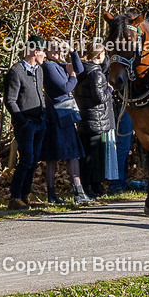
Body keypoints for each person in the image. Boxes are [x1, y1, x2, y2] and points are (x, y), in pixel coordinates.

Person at [41, 39, 91, 205]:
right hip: (56, 116)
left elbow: (80, 69)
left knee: (72, 153)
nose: (57, 52)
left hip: (64, 114)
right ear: (46, 52)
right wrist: (72, 77)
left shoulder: (59, 63)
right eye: (53, 49)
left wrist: (72, 51)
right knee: (55, 156)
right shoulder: (48, 66)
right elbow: (65, 88)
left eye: (58, 49)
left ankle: (78, 191)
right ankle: (56, 193)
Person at [4, 35, 48, 210]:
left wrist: (43, 115)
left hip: (39, 122)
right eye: (42, 51)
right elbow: (10, 100)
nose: (44, 54)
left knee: (35, 160)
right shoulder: (16, 71)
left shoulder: (39, 70)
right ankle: (15, 197)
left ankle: (25, 195)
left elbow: (40, 94)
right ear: (34, 51)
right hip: (26, 124)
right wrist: (22, 121)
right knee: (26, 160)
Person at [74, 41, 117, 197]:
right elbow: (99, 97)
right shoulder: (97, 73)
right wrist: (109, 90)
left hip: (84, 117)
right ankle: (89, 187)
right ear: (100, 55)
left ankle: (87, 186)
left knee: (85, 155)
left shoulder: (82, 69)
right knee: (92, 157)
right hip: (96, 119)